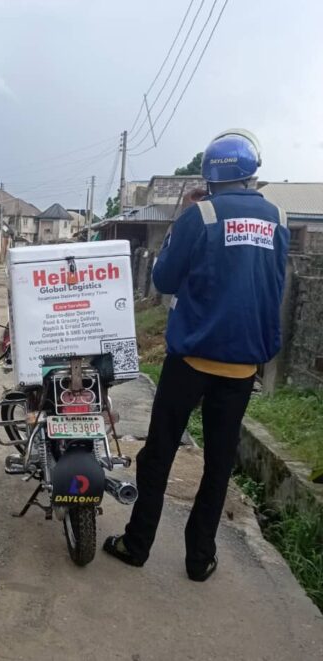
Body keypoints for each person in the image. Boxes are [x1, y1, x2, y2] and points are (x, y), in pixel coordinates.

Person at [104, 129, 289, 581]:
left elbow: (164, 279)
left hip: (190, 361)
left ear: (209, 176)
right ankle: (199, 557)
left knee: (160, 453)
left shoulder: (199, 215)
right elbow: (275, 280)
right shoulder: (278, 217)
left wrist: (183, 221)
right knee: (219, 461)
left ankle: (138, 544)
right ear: (250, 174)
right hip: (244, 364)